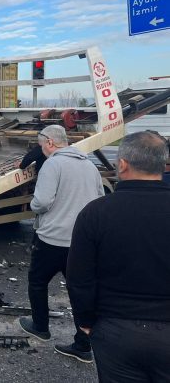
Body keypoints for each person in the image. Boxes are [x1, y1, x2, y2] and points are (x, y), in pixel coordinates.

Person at [67, 131, 170, 381]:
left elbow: (79, 277)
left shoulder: (95, 213)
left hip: (115, 330)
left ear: (122, 165)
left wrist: (85, 321)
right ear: (163, 165)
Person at [18, 125, 104, 363]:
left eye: (40, 143)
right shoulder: (89, 165)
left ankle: (40, 327)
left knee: (37, 282)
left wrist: (33, 205)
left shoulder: (53, 164)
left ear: (49, 143)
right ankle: (83, 344)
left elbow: (42, 201)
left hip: (52, 238)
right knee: (80, 290)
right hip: (81, 243)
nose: (41, 148)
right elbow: (99, 200)